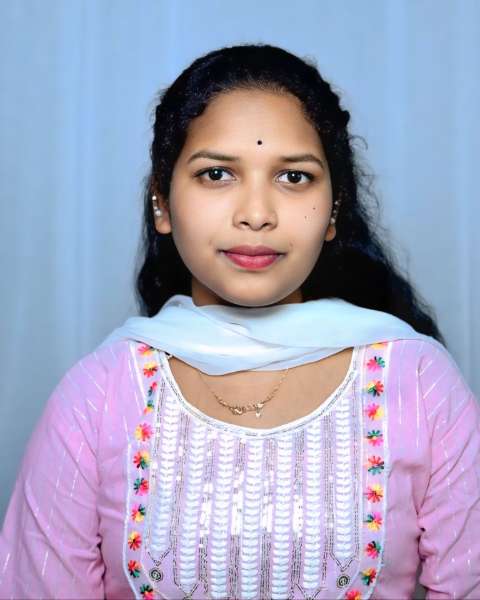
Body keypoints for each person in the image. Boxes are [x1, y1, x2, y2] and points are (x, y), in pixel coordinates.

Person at [1, 43, 479, 600]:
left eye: (294, 177)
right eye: (217, 173)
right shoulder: (98, 394)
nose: (256, 214)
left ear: (333, 210)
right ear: (162, 202)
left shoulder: (419, 381)